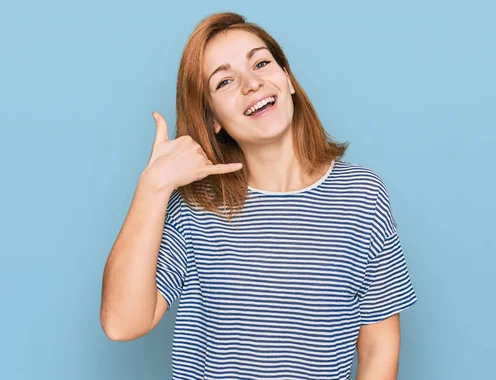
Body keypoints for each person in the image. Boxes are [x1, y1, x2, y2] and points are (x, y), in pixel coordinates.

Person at [100, 11, 417, 380]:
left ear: (288, 79)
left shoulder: (361, 196)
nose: (251, 84)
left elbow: (379, 344)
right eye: (224, 82)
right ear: (213, 119)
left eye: (261, 63)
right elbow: (121, 324)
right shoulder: (195, 206)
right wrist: (152, 186)